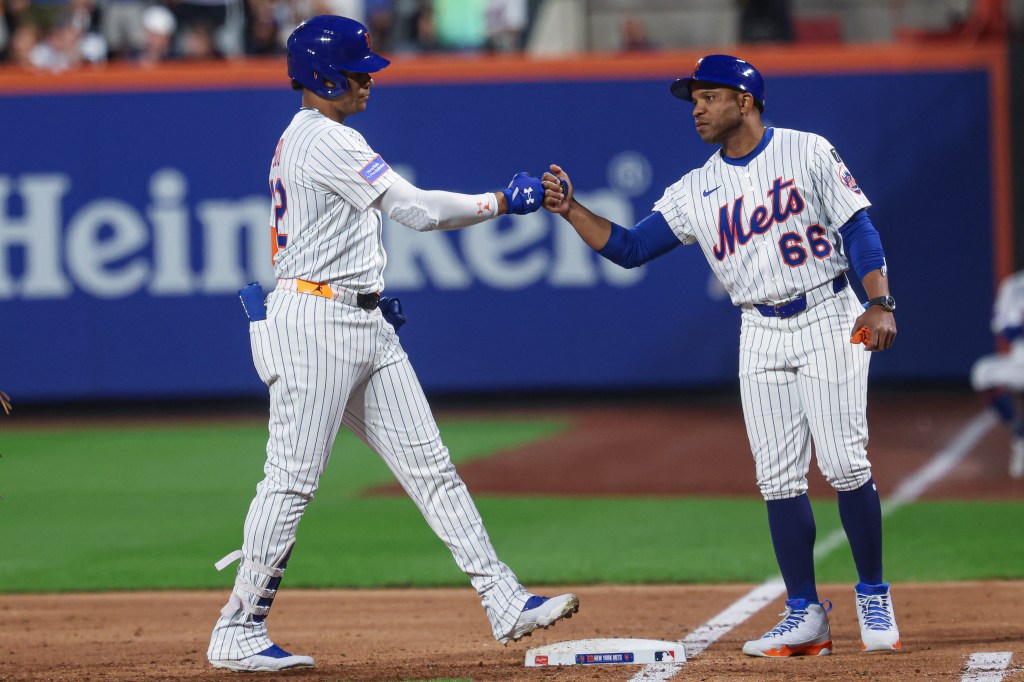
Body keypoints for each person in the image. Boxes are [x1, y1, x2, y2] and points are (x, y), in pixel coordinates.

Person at [205, 14, 578, 673]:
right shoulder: (324, 139)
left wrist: (367, 293)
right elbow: (418, 211)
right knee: (290, 482)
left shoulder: (317, 136)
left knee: (430, 467)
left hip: (356, 319)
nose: (368, 82)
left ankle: (503, 599)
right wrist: (501, 201)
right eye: (357, 72)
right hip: (315, 324)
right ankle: (238, 627)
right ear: (322, 76)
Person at [542, 55, 901, 658]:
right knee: (778, 478)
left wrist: (881, 302)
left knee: (843, 462)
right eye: (694, 101)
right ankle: (804, 613)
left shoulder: (807, 151)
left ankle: (872, 593)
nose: (697, 110)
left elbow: (858, 227)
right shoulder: (695, 188)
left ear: (747, 100)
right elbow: (631, 248)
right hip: (757, 328)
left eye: (708, 97)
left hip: (827, 314)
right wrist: (572, 210)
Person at [971, 270, 1024, 478]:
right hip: (1020, 360)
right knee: (983, 373)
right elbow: (1001, 325)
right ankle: (1020, 436)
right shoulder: (1014, 285)